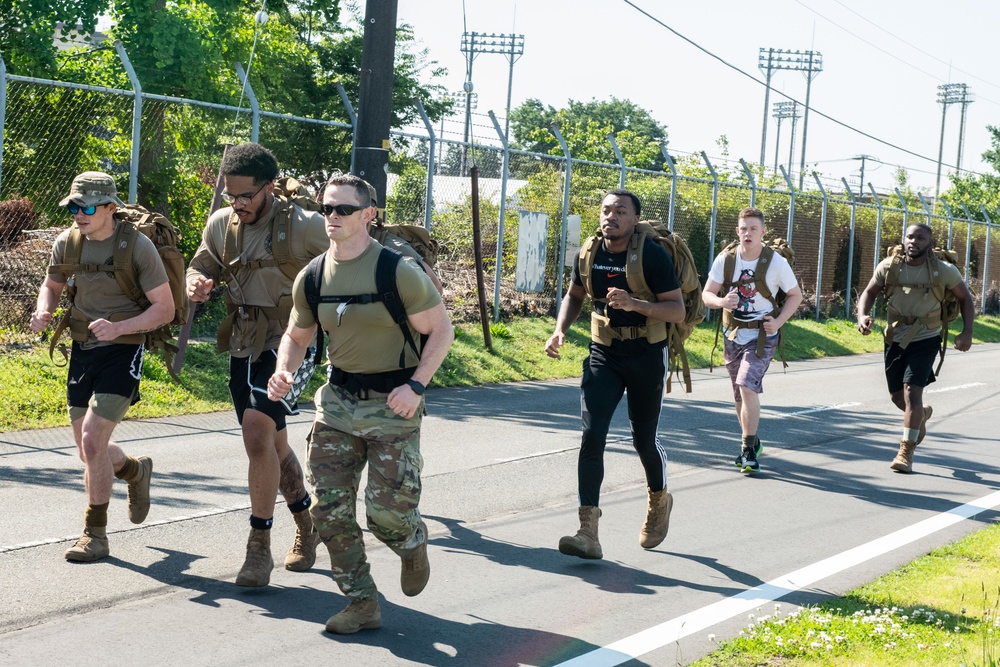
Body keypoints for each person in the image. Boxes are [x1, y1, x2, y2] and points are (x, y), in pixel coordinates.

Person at [267, 173, 453, 634]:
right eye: (326, 208)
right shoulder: (312, 276)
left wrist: (417, 386)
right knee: (327, 511)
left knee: (386, 515)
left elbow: (441, 330)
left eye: (343, 209)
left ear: (368, 215)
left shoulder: (397, 271)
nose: (332, 216)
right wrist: (285, 368)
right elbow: (296, 333)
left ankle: (411, 541)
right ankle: (362, 601)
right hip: (337, 403)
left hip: (394, 404)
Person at [186, 143, 329, 586]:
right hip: (246, 339)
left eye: (246, 196)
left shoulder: (305, 226)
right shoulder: (221, 224)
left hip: (293, 339)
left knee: (256, 433)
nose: (238, 204)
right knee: (272, 445)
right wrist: (196, 282)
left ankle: (258, 547)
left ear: (269, 186)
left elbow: (354, 255)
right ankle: (307, 523)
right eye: (231, 195)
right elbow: (200, 261)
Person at [30, 171, 174, 562]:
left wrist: (120, 328)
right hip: (82, 347)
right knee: (86, 449)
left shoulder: (137, 248)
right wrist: (44, 309)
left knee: (93, 440)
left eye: (87, 207)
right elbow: (52, 284)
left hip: (123, 348)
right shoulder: (68, 242)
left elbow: (165, 309)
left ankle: (95, 534)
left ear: (111, 208)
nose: (79, 214)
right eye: (74, 206)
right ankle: (133, 471)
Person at [544, 188, 685, 560]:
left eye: (621, 211)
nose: (611, 216)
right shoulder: (589, 253)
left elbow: (677, 310)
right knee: (592, 435)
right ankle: (587, 530)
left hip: (646, 354)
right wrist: (560, 330)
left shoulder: (652, 256)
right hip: (603, 352)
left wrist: (635, 303)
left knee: (643, 440)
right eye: (606, 209)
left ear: (634, 219)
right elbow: (575, 295)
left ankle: (659, 499)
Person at [856, 223, 975, 473]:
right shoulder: (889, 266)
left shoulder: (944, 271)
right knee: (897, 396)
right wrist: (862, 316)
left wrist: (967, 332)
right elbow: (869, 292)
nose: (914, 241)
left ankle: (905, 452)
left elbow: (965, 298)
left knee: (912, 392)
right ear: (904, 239)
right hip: (894, 338)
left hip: (927, 338)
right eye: (910, 237)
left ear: (929, 243)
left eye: (920, 238)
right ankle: (920, 416)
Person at [702, 207, 803, 474]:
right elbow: (707, 294)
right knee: (739, 394)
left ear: (763, 232)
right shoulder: (726, 260)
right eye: (744, 229)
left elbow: (795, 294)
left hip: (762, 336)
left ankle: (747, 451)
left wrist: (778, 322)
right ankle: (754, 440)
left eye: (753, 229)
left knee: (746, 385)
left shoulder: (776, 263)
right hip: (732, 333)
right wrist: (722, 301)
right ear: (738, 231)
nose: (748, 233)